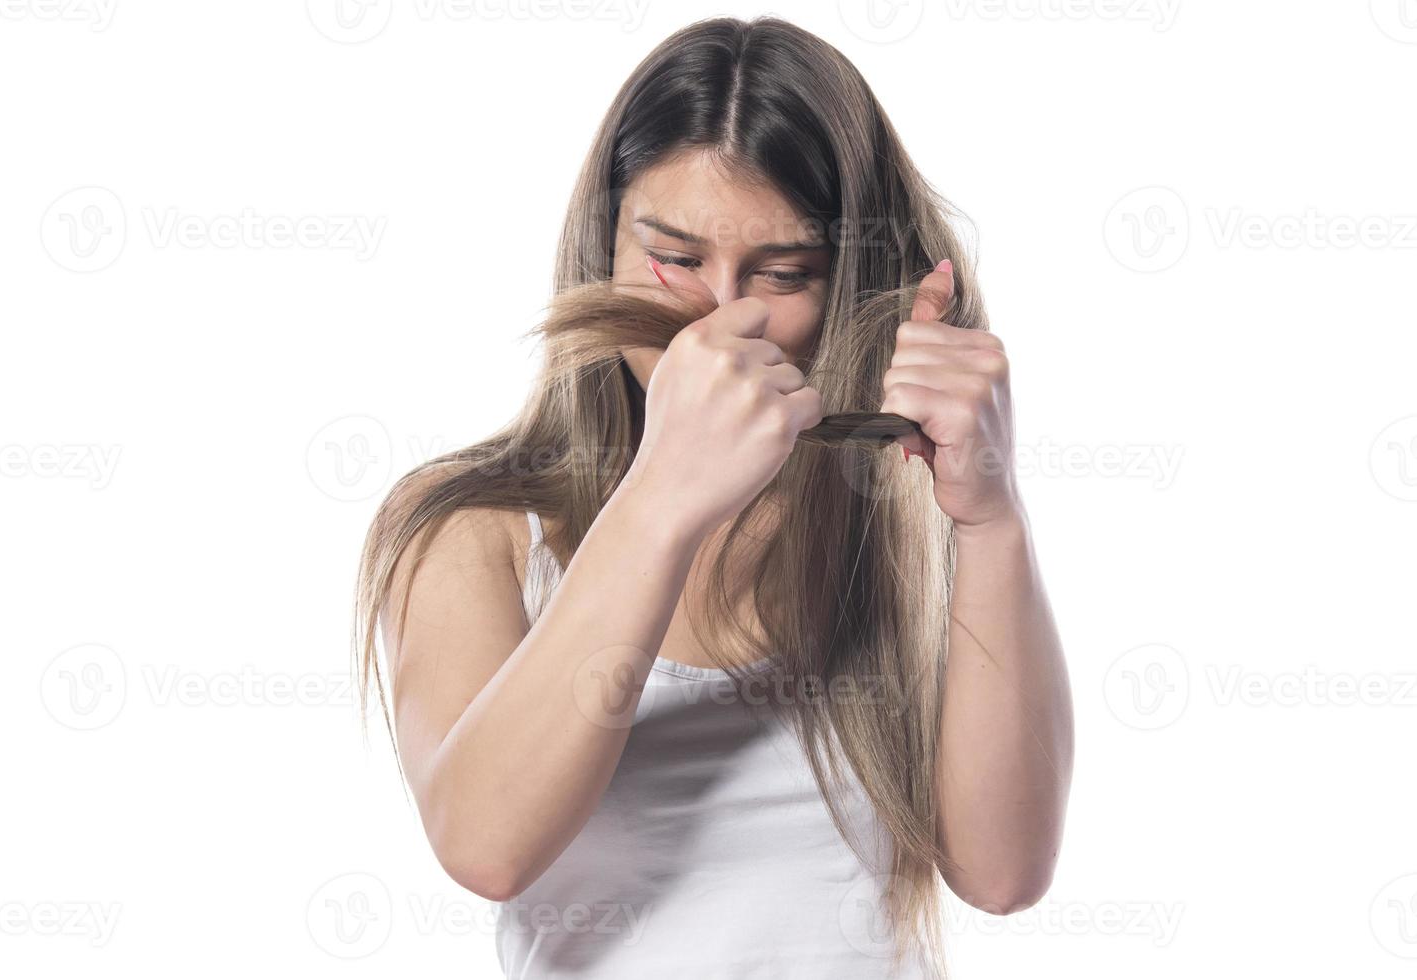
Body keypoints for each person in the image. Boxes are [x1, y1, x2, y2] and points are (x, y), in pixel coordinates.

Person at [353, 15, 1073, 978]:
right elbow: (485, 844)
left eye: (783, 274)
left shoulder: (910, 515)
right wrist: (663, 493)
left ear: (848, 275)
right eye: (677, 259)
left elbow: (1004, 874)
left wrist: (993, 518)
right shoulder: (472, 530)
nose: (723, 314)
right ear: (603, 241)